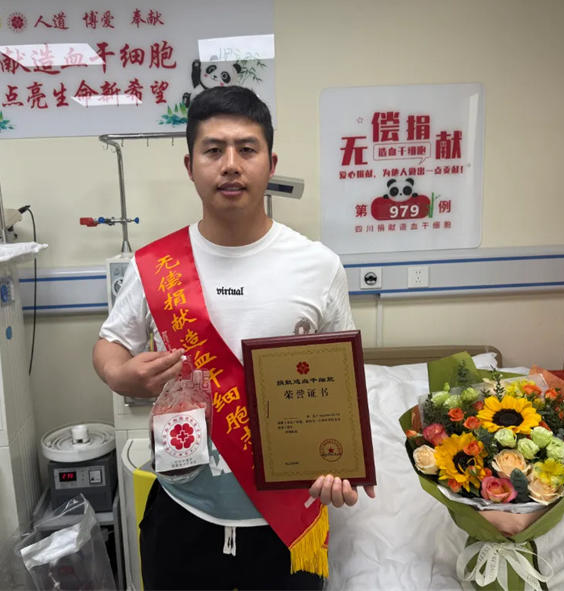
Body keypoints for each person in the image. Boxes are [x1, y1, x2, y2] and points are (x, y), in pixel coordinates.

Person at [93, 85, 375, 590]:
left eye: (247, 149)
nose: (230, 165)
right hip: (181, 512)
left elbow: (342, 383)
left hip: (287, 522)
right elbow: (111, 342)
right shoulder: (155, 265)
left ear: (270, 163)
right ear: (190, 165)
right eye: (213, 150)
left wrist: (341, 463)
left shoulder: (317, 265)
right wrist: (120, 374)